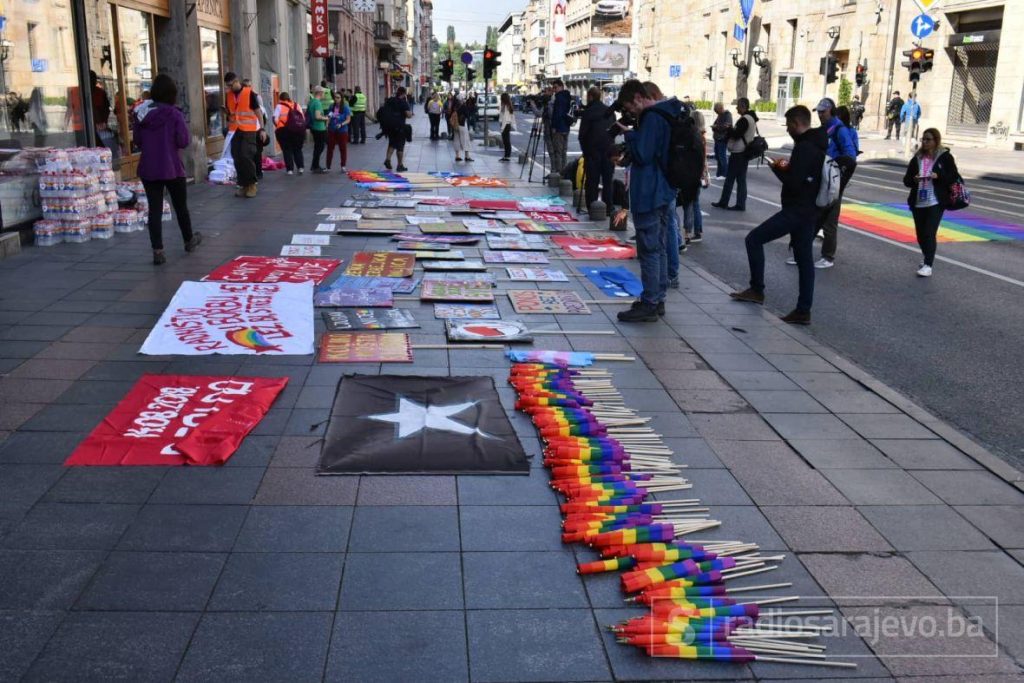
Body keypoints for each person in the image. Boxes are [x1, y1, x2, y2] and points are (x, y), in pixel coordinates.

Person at [730, 105, 826, 325]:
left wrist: (776, 169)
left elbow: (794, 183)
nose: (788, 129)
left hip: (797, 210)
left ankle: (757, 289)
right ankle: (803, 310)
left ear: (795, 123)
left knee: (754, 239)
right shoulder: (817, 144)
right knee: (804, 260)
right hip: (809, 210)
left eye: (788, 125)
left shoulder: (804, 147)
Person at [615, 80, 682, 322]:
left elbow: (644, 154)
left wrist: (629, 134)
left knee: (650, 250)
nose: (630, 112)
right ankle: (658, 297)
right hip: (664, 190)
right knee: (660, 247)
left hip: (650, 192)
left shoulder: (653, 117)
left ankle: (650, 302)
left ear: (637, 98)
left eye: (629, 107)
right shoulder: (667, 112)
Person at [131, 73, 201, 265]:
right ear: (172, 93)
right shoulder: (174, 113)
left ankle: (158, 251)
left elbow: (136, 140)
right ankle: (188, 240)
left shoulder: (141, 113)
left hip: (149, 168)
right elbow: (183, 141)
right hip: (172, 168)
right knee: (181, 207)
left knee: (154, 210)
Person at [903, 128, 958, 277]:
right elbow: (906, 180)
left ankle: (928, 264)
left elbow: (953, 177)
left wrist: (938, 176)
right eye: (923, 139)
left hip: (935, 202)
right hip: (918, 201)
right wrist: (914, 179)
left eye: (928, 139)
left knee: (929, 232)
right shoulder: (917, 158)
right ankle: (927, 255)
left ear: (936, 141)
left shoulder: (944, 157)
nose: (925, 142)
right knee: (920, 235)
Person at [809, 97, 857, 269]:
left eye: (823, 111)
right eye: (819, 112)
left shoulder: (839, 130)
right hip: (821, 177)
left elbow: (850, 156)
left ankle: (828, 256)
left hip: (832, 180)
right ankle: (803, 250)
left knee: (829, 219)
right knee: (814, 215)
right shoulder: (824, 128)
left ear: (831, 111)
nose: (820, 114)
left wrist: (836, 172)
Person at [224, 71, 266, 198]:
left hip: (248, 131)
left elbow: (258, 112)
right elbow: (232, 113)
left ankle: (252, 184)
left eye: (230, 85)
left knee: (246, 156)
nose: (229, 88)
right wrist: (227, 114)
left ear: (237, 81)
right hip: (235, 130)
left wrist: (262, 129)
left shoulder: (249, 93)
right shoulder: (229, 96)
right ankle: (243, 184)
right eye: (227, 86)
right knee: (237, 157)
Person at [712, 97, 758, 212]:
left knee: (730, 179)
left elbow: (737, 134)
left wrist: (729, 129)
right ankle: (740, 204)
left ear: (743, 106)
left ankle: (724, 202)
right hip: (744, 152)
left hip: (738, 152)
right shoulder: (751, 118)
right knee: (741, 180)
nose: (736, 108)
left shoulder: (744, 119)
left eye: (738, 106)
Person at [577, 86, 615, 211]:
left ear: (590, 97)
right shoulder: (610, 111)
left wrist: (585, 152)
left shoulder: (588, 112)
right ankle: (608, 208)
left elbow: (582, 135)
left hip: (592, 152)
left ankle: (592, 207)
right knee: (607, 181)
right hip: (608, 150)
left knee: (592, 182)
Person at [681, 109, 710, 244]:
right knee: (695, 203)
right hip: (699, 173)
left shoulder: (692, 137)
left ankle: (687, 232)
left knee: (688, 203)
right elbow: (704, 158)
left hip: (690, 173)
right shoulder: (703, 137)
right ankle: (698, 231)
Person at [272, 92, 305, 175]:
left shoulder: (279, 106)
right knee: (297, 149)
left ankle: (290, 169)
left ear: (280, 99)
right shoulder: (296, 105)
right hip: (297, 131)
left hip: (284, 130)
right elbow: (302, 118)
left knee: (287, 150)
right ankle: (300, 167)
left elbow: (275, 118)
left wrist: (278, 125)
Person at [381, 86, 413, 171]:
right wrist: (410, 112)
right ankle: (400, 165)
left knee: (392, 143)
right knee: (400, 146)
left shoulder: (390, 100)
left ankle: (388, 159)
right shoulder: (403, 102)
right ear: (404, 93)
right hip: (400, 127)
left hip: (389, 126)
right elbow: (408, 115)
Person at [550, 80, 572, 175]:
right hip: (566, 127)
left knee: (558, 151)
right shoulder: (568, 96)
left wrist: (554, 126)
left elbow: (557, 114)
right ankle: (565, 171)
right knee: (564, 151)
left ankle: (559, 172)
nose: (554, 90)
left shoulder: (559, 98)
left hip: (559, 128)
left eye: (555, 87)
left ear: (561, 86)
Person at [326, 91, 351, 172]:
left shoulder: (345, 107)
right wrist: (327, 125)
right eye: (335, 97)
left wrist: (341, 124)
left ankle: (343, 166)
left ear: (341, 98)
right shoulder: (331, 106)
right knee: (330, 148)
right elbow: (329, 117)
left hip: (342, 131)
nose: (336, 99)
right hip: (332, 130)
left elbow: (348, 120)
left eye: (338, 98)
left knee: (343, 148)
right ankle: (328, 166)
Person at [307, 86, 329, 173]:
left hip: (313, 127)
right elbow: (317, 116)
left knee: (317, 147)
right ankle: (315, 166)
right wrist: (326, 118)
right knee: (320, 147)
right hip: (319, 128)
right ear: (319, 93)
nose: (324, 94)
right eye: (323, 92)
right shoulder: (317, 103)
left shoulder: (311, 101)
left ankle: (314, 165)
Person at [710, 103, 732, 178]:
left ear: (720, 109)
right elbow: (715, 124)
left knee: (722, 157)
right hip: (717, 138)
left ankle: (725, 174)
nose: (716, 113)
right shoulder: (720, 115)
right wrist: (714, 127)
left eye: (716, 111)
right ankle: (719, 174)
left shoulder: (727, 115)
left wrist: (716, 127)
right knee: (718, 157)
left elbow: (727, 126)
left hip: (722, 138)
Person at [453, 94, 475, 162]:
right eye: (463, 99)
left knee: (456, 140)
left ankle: (457, 156)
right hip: (462, 125)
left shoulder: (454, 106)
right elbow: (467, 115)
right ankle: (467, 156)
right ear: (461, 100)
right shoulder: (463, 106)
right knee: (465, 140)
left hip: (455, 125)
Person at [499, 93, 516, 161]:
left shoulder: (506, 106)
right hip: (507, 125)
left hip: (505, 125)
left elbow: (505, 118)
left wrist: (502, 127)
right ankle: (506, 155)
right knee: (506, 141)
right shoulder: (508, 105)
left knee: (506, 141)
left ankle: (507, 156)